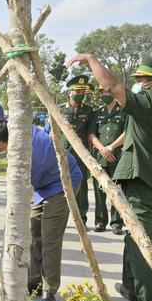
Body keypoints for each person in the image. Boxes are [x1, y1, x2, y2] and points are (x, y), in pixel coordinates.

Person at [68, 52, 152, 301]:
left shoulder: (151, 101)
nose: (138, 86)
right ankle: (130, 286)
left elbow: (111, 87)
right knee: (139, 240)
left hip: (146, 185)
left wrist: (91, 58)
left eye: (141, 81)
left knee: (141, 247)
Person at [0, 119, 82, 301]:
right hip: (41, 186)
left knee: (49, 237)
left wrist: (11, 219)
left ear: (8, 141)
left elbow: (22, 192)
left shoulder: (34, 151)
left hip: (62, 182)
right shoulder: (16, 130)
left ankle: (49, 290)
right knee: (33, 231)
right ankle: (33, 281)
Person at [88, 85, 126, 234]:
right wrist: (103, 149)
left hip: (118, 157)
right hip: (101, 157)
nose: (104, 93)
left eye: (106, 90)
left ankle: (117, 223)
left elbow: (128, 132)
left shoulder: (124, 111)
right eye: (101, 91)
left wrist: (111, 147)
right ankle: (100, 221)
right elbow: (92, 134)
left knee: (117, 190)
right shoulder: (97, 113)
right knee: (99, 190)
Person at [61, 75, 94, 225]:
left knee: (81, 187)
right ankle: (60, 217)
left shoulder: (88, 110)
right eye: (77, 91)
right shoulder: (60, 109)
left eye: (82, 91)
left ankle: (82, 219)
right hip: (63, 152)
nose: (80, 94)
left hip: (81, 154)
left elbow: (90, 133)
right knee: (60, 184)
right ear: (69, 92)